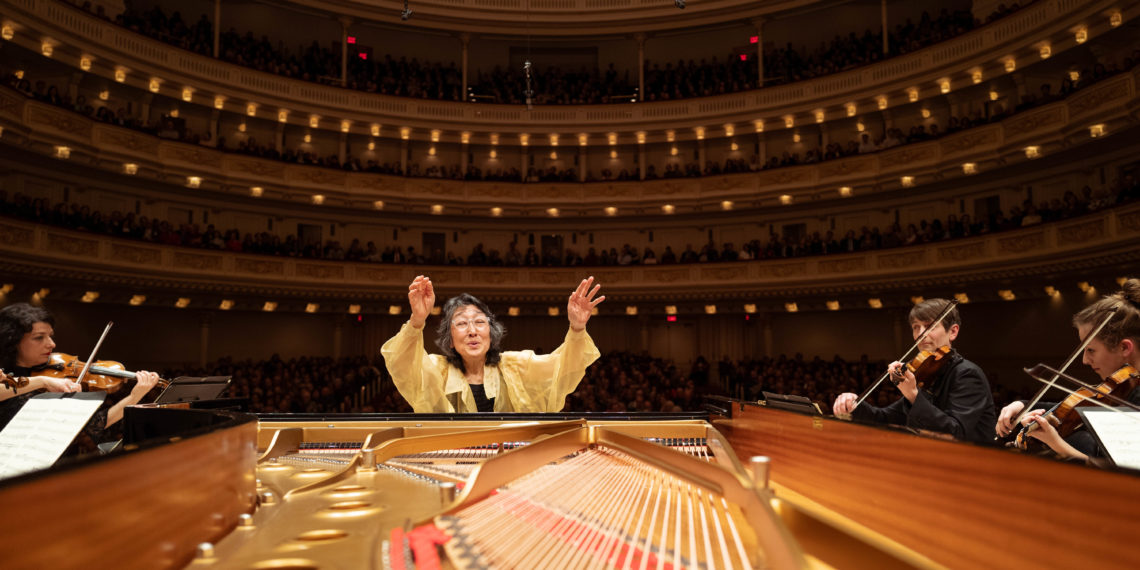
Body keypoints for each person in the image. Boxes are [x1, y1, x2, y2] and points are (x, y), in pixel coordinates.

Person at [381, 275, 604, 413]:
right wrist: (417, 320)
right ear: (450, 341)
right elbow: (402, 363)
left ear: (491, 334)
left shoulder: (518, 365)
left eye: (479, 322)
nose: (472, 331)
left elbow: (563, 368)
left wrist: (577, 328)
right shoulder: (436, 370)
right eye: (461, 324)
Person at [995, 278, 1140, 463]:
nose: (1085, 360)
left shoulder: (1135, 396)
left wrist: (1054, 442)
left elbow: (1116, 472)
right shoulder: (1124, 386)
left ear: (1125, 348)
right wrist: (1022, 405)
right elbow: (1079, 408)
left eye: (1091, 350)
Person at [832, 298, 996, 444]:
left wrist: (913, 395)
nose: (920, 334)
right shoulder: (926, 372)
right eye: (916, 327)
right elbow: (885, 418)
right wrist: (854, 405)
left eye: (930, 326)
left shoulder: (967, 374)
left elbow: (956, 433)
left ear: (952, 332)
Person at [0, 303, 160, 435]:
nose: (51, 344)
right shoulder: (4, 376)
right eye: (39, 337)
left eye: (50, 336)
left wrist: (134, 396)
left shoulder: (58, 379)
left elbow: (95, 424)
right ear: (13, 341)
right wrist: (43, 381)